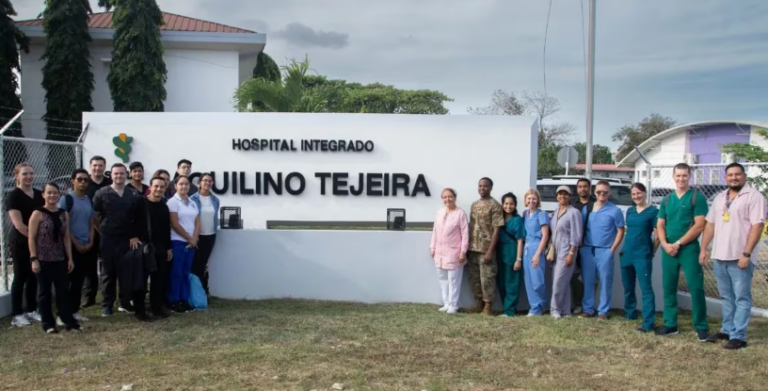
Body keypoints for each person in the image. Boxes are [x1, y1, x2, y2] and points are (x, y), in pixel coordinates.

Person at [700, 163, 766, 349]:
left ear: (744, 176)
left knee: (741, 298)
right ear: (725, 178)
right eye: (730, 175)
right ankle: (727, 329)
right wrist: (703, 248)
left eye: (737, 174)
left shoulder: (754, 196)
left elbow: (757, 226)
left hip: (740, 257)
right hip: (720, 256)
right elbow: (710, 224)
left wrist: (747, 253)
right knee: (726, 297)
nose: (734, 178)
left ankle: (739, 336)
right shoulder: (720, 197)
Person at [656, 163, 709, 340]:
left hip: (688, 249)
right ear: (673, 176)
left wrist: (678, 243)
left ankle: (701, 326)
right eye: (678, 175)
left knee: (696, 287)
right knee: (669, 287)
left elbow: (699, 225)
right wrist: (664, 244)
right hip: (668, 250)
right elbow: (660, 224)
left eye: (684, 175)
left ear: (689, 176)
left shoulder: (696, 198)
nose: (681, 179)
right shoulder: (666, 199)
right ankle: (670, 324)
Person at [93, 163, 144, 317]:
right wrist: (102, 230)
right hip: (108, 238)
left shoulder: (133, 194)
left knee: (126, 272)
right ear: (111, 175)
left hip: (126, 239)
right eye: (116, 173)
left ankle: (125, 302)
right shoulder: (101, 193)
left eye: (122, 173)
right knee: (108, 273)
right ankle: (107, 305)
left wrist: (134, 235)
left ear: (126, 175)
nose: (119, 176)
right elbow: (95, 216)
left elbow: (137, 218)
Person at [28, 182, 79, 333]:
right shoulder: (38, 213)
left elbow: (66, 237)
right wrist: (33, 259)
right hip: (43, 259)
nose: (52, 195)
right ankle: (48, 324)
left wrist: (70, 258)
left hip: (59, 259)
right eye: (49, 193)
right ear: (43, 195)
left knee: (63, 291)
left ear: (59, 195)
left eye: (55, 192)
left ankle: (66, 319)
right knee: (44, 293)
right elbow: (31, 238)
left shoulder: (64, 214)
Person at [4, 163, 44, 327]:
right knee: (20, 277)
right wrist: (34, 239)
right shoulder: (13, 196)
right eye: (25, 174)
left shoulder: (39, 194)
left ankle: (31, 309)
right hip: (20, 241)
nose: (29, 177)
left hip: (37, 241)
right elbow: (19, 225)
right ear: (17, 176)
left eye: (31, 173)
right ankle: (17, 314)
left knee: (34, 275)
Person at [579, 180, 625, 320]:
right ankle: (588, 309)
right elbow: (581, 227)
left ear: (609, 193)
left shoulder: (615, 210)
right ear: (594, 192)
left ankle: (603, 311)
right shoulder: (587, 209)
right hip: (588, 250)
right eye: (599, 191)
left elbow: (620, 231)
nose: (602, 194)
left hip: (605, 250)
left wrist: (612, 249)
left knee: (605, 281)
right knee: (588, 281)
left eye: (605, 192)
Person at [58, 169, 96, 324]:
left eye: (86, 180)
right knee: (67, 281)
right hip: (71, 247)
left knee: (78, 281)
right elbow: (64, 227)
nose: (83, 182)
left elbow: (91, 223)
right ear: (73, 181)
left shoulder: (88, 200)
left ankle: (74, 311)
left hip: (86, 246)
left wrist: (91, 241)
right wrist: (76, 244)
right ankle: (62, 315)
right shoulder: (66, 200)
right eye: (79, 179)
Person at [620, 183, 659, 333]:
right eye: (633, 194)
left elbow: (658, 237)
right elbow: (629, 230)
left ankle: (648, 322)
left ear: (645, 193)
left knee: (646, 289)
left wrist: (651, 252)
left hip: (642, 255)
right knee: (628, 287)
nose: (636, 196)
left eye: (638, 193)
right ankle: (630, 313)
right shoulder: (630, 211)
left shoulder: (653, 212)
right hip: (627, 254)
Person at [466, 177, 504, 316]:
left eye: (485, 186)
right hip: (473, 249)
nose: (482, 188)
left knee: (487, 279)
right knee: (475, 278)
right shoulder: (474, 205)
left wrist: (490, 251)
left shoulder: (495, 205)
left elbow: (497, 230)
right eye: (480, 186)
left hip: (486, 250)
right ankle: (479, 303)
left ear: (491, 188)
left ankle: (488, 306)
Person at [430, 188, 469, 315]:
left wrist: (463, 251)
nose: (447, 199)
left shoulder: (460, 214)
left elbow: (465, 234)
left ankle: (453, 305)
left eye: (450, 196)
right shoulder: (439, 213)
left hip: (454, 253)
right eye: (444, 197)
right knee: (442, 279)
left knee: (454, 280)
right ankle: (446, 302)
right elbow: (435, 231)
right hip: (440, 252)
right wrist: (432, 247)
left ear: (455, 198)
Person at [548, 186, 583, 319]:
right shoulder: (556, 211)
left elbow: (576, 235)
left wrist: (571, 254)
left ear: (570, 196)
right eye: (560, 194)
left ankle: (554, 309)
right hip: (555, 250)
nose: (562, 196)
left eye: (565, 194)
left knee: (558, 281)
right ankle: (565, 310)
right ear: (557, 196)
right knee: (563, 282)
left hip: (567, 250)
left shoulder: (574, 212)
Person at [167, 175, 200, 313]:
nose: (184, 186)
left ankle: (184, 299)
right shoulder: (172, 202)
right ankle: (173, 300)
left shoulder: (192, 202)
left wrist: (194, 238)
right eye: (181, 184)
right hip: (178, 242)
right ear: (175, 186)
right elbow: (174, 224)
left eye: (186, 184)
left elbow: (197, 221)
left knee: (186, 272)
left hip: (191, 244)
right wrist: (189, 238)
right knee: (176, 273)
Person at [83, 155, 112, 308]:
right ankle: (90, 296)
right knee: (90, 265)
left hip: (108, 231)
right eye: (95, 165)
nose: (97, 168)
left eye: (100, 165)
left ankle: (107, 297)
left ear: (105, 167)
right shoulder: (85, 183)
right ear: (90, 166)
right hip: (89, 230)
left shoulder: (110, 183)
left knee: (107, 266)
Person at [144, 176, 173, 318]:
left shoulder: (164, 207)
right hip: (144, 247)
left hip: (160, 247)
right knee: (142, 279)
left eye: (162, 187)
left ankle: (157, 308)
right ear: (150, 187)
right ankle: (140, 309)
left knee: (159, 279)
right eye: (156, 186)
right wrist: (133, 237)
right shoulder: (141, 203)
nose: (159, 189)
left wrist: (168, 248)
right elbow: (131, 222)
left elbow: (166, 229)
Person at [190, 173, 220, 295]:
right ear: (200, 182)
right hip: (197, 236)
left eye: (210, 181)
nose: (207, 183)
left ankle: (202, 291)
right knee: (195, 264)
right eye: (205, 180)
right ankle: (195, 292)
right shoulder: (192, 199)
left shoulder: (215, 200)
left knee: (204, 264)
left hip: (211, 235)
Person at [496, 192, 525, 317]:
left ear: (515, 205)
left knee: (511, 283)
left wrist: (518, 259)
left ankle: (510, 311)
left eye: (511, 204)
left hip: (512, 252)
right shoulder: (499, 219)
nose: (508, 206)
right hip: (500, 253)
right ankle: (506, 308)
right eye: (506, 203)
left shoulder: (517, 220)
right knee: (501, 283)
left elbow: (520, 240)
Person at [522, 188, 550, 316]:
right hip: (526, 249)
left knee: (537, 282)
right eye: (529, 198)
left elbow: (545, 236)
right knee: (528, 281)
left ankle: (542, 305)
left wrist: (538, 254)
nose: (531, 201)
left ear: (538, 200)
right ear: (525, 200)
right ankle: (534, 308)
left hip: (537, 247)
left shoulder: (541, 214)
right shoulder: (525, 214)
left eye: (534, 198)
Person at [571, 178, 595, 314]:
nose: (582, 189)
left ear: (589, 188)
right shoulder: (573, 204)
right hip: (574, 246)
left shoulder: (596, 203)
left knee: (590, 277)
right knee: (575, 276)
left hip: (590, 245)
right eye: (580, 186)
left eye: (585, 186)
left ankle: (589, 305)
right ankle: (578, 304)